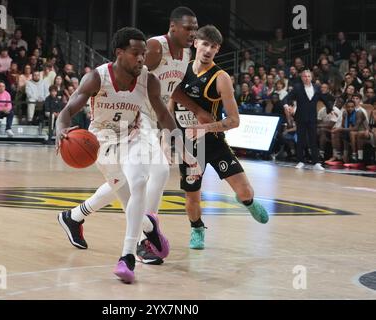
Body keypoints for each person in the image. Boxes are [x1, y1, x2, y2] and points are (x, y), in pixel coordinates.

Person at [55, 27, 200, 283]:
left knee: (140, 181)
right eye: (136, 53)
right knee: (127, 198)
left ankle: (127, 256)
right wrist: (61, 130)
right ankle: (148, 227)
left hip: (131, 138)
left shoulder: (148, 80)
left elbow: (165, 116)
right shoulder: (97, 78)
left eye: (144, 53)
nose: (142, 58)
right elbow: (67, 111)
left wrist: (185, 151)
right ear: (119, 53)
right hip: (101, 143)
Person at [170, 25, 269, 250]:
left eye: (213, 47)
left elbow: (234, 121)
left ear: (217, 50)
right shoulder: (178, 72)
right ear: (195, 42)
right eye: (205, 44)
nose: (208, 50)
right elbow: (169, 107)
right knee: (193, 197)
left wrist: (206, 127)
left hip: (213, 142)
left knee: (245, 191)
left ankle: (247, 202)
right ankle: (197, 229)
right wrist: (169, 138)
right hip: (189, 146)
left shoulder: (221, 77)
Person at [283, 70, 333, 170]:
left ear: (311, 77)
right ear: (302, 78)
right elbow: (287, 98)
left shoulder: (317, 87)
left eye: (308, 76)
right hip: (300, 117)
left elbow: (324, 99)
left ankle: (316, 162)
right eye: (304, 76)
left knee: (313, 140)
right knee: (301, 139)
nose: (306, 78)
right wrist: (286, 106)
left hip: (312, 117)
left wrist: (330, 109)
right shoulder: (297, 87)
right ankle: (300, 161)